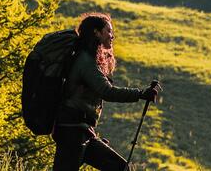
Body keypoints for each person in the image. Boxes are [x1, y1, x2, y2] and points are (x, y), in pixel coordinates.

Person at [53, 12, 161, 171]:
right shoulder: (84, 61)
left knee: (121, 168)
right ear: (96, 33)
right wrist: (140, 94)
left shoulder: (87, 59)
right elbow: (107, 91)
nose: (112, 36)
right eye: (108, 31)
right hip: (72, 132)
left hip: (82, 132)